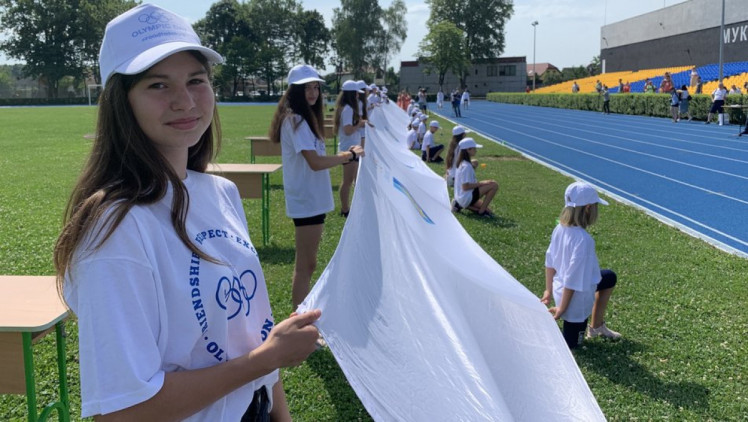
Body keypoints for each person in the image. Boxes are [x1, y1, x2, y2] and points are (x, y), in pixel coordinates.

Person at [54, 4, 321, 420]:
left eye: (196, 80)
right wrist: (266, 360)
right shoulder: (115, 230)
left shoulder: (221, 192)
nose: (185, 101)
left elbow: (250, 330)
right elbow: (124, 412)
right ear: (121, 104)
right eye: (158, 85)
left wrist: (277, 404)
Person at [269, 64, 364, 309]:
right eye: (306, 88)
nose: (312, 93)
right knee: (305, 265)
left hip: (312, 198)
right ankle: (299, 323)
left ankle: (302, 319)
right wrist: (348, 156)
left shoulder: (305, 118)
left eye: (315, 87)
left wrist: (345, 155)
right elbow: (315, 163)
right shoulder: (295, 120)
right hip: (306, 200)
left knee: (308, 264)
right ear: (293, 91)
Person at [541, 182, 621, 350]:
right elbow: (573, 279)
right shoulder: (584, 241)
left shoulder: (559, 228)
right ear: (588, 208)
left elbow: (550, 262)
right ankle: (576, 326)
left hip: (561, 289)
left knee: (609, 277)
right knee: (572, 347)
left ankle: (596, 326)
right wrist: (562, 309)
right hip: (575, 302)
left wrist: (548, 290)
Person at [334, 80, 368, 218]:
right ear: (351, 94)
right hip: (349, 149)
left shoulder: (347, 108)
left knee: (353, 180)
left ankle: (350, 207)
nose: (358, 96)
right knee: (347, 181)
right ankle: (345, 209)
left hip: (352, 148)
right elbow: (348, 130)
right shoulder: (348, 109)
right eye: (356, 94)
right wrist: (359, 124)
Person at [452, 138, 498, 217]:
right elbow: (465, 187)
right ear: (468, 150)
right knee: (494, 185)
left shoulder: (461, 163)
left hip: (461, 196)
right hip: (466, 197)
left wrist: (483, 183)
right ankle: (481, 212)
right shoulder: (466, 166)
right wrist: (482, 183)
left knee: (489, 211)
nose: (476, 150)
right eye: (474, 148)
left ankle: (459, 205)